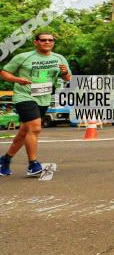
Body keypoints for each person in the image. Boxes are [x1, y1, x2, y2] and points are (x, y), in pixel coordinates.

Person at [0, 32, 71, 177]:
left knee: (24, 132)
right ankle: (33, 164)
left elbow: (67, 78)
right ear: (36, 42)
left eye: (50, 40)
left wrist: (64, 73)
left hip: (44, 98)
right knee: (36, 127)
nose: (47, 42)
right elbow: (4, 73)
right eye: (43, 40)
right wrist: (18, 80)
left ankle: (5, 160)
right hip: (24, 96)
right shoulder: (23, 57)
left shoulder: (59, 58)